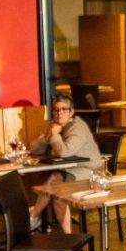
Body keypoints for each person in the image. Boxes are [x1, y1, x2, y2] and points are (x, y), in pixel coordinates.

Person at [31, 96, 101, 233]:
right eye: (56, 110)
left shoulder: (77, 127)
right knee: (55, 184)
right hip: (70, 170)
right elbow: (34, 149)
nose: (59, 113)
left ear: (71, 112)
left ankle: (33, 218)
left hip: (91, 172)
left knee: (57, 190)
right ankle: (65, 236)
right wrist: (47, 137)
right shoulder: (53, 126)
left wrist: (54, 135)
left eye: (63, 109)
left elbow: (64, 152)